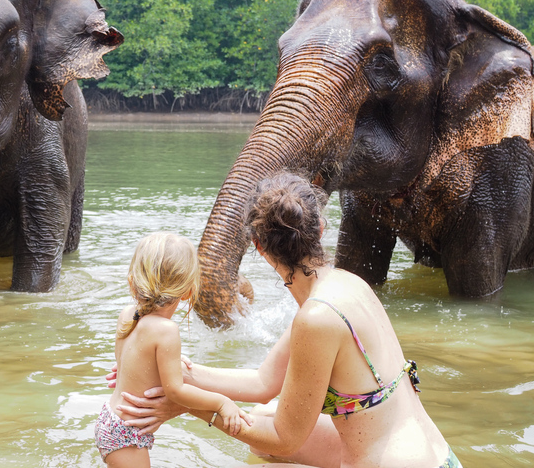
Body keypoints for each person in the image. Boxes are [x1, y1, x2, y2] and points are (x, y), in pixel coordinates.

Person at [109, 172, 462, 468]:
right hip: (435, 456)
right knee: (262, 422)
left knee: (271, 433)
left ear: (259, 248)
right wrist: (170, 372)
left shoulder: (317, 319)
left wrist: (189, 405)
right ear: (320, 229)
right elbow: (264, 381)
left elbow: (284, 439)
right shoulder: (346, 283)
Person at [94, 231, 252, 467]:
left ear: (132, 281)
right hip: (127, 433)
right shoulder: (167, 330)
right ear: (189, 291)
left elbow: (127, 357)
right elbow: (176, 392)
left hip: (112, 420)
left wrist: (167, 359)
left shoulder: (128, 314)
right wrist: (222, 403)